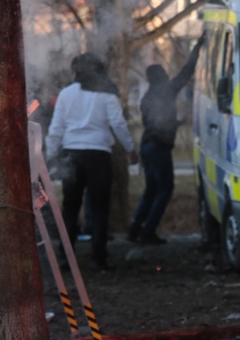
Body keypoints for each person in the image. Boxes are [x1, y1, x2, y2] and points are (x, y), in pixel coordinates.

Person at [46, 53, 137, 271]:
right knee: (99, 208)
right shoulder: (106, 95)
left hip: (72, 155)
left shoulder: (66, 94)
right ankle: (98, 258)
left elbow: (56, 128)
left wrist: (50, 155)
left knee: (70, 206)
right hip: (98, 155)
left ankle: (66, 257)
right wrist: (130, 149)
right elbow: (118, 124)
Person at [129, 37, 205, 245]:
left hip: (146, 146)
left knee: (151, 190)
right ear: (161, 77)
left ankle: (135, 229)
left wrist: (177, 122)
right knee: (165, 189)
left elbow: (157, 124)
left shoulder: (146, 99)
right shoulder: (167, 91)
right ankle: (148, 231)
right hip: (159, 149)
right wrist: (197, 47)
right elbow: (186, 71)